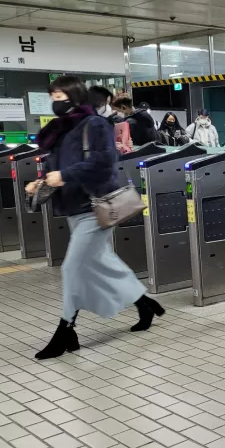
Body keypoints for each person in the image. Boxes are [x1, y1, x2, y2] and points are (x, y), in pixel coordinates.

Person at [25, 76, 165, 360]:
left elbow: (103, 163)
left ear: (75, 97)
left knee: (71, 268)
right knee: (103, 262)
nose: (56, 101)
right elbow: (55, 167)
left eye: (61, 96)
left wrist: (64, 176)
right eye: (52, 96)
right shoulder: (59, 131)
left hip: (95, 206)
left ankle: (66, 330)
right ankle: (145, 303)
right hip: (72, 208)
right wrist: (41, 182)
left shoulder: (95, 125)